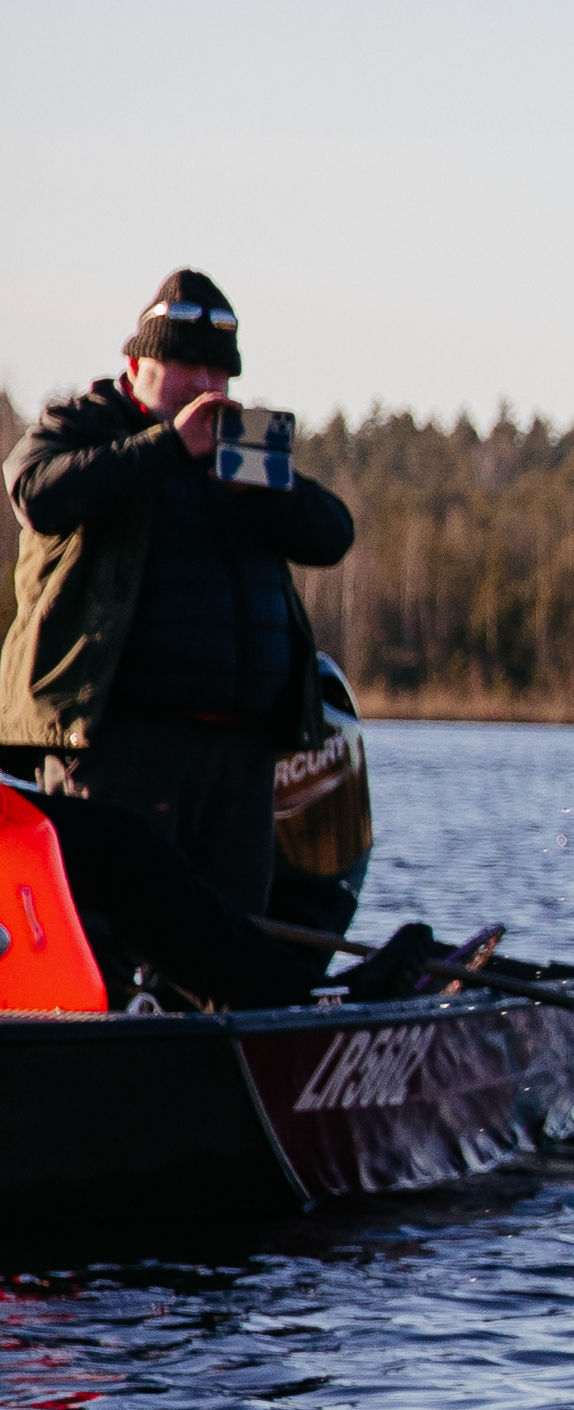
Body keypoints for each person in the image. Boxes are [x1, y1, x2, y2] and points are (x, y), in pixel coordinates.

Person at [8, 272, 365, 1002]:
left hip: (239, 750)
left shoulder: (243, 456)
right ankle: (95, 1077)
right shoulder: (86, 426)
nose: (205, 385)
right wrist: (169, 447)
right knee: (111, 931)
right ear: (137, 363)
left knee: (230, 943)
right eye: (185, 368)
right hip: (119, 743)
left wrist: (275, 490)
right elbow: (36, 493)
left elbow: (333, 535)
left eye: (217, 370)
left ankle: (225, 1077)